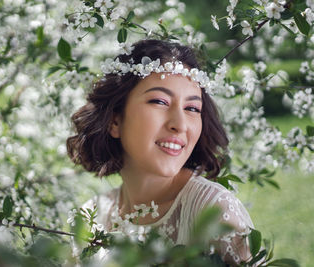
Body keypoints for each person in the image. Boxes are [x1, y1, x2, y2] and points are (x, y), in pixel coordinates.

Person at [67, 39, 254, 265]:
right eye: (159, 101)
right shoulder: (91, 217)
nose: (180, 124)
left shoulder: (213, 210)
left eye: (192, 108)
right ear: (115, 121)